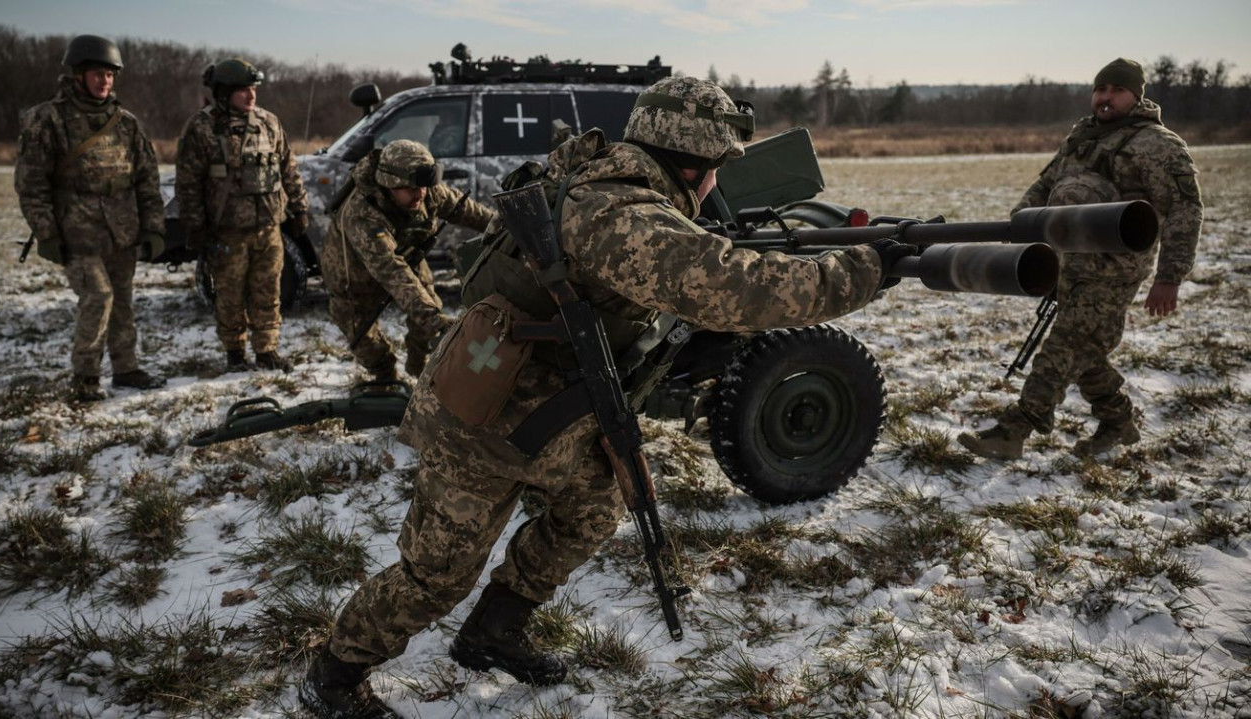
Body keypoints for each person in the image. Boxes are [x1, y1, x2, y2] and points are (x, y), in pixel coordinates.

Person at [299, 76, 911, 718]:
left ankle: (493, 630)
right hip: (485, 419)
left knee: (589, 514)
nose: (713, 187)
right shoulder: (623, 215)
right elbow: (741, 291)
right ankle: (336, 675)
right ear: (696, 163)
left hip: (557, 407)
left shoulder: (615, 187)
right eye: (715, 170)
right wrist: (865, 267)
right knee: (436, 576)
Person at [959, 58, 1203, 460]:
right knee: (1085, 349)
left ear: (1136, 96)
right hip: (1068, 263)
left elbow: (1185, 210)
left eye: (1116, 90)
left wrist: (1170, 277)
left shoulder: (1158, 145)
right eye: (1100, 89)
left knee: (1062, 347)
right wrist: (1019, 229)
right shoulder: (1083, 137)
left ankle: (1014, 430)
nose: (1105, 98)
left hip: (1114, 271)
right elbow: (1046, 185)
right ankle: (1118, 422)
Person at [14, 34, 167, 402]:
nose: (105, 82)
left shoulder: (126, 123)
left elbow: (147, 179)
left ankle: (126, 368)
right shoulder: (47, 119)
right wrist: (47, 233)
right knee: (98, 297)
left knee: (123, 300)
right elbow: (31, 183)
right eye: (98, 74)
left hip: (122, 230)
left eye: (110, 75)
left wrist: (153, 228)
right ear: (78, 75)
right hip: (76, 233)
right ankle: (84, 378)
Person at [175, 58, 310, 373]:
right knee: (230, 295)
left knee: (268, 291)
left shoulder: (268, 123)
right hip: (227, 233)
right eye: (243, 90)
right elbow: (188, 183)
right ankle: (235, 354)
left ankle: (267, 350)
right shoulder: (202, 127)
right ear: (223, 93)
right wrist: (195, 226)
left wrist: (299, 207)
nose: (251, 96)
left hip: (268, 228)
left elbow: (288, 168)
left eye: (253, 89)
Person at [320, 140, 493, 383]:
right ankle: (387, 379)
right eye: (410, 189)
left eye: (423, 187)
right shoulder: (362, 214)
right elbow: (392, 272)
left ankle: (419, 370)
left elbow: (471, 212)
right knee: (366, 343)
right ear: (390, 184)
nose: (420, 194)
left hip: (405, 257)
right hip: (354, 277)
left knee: (427, 311)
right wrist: (434, 321)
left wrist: (505, 225)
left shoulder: (425, 190)